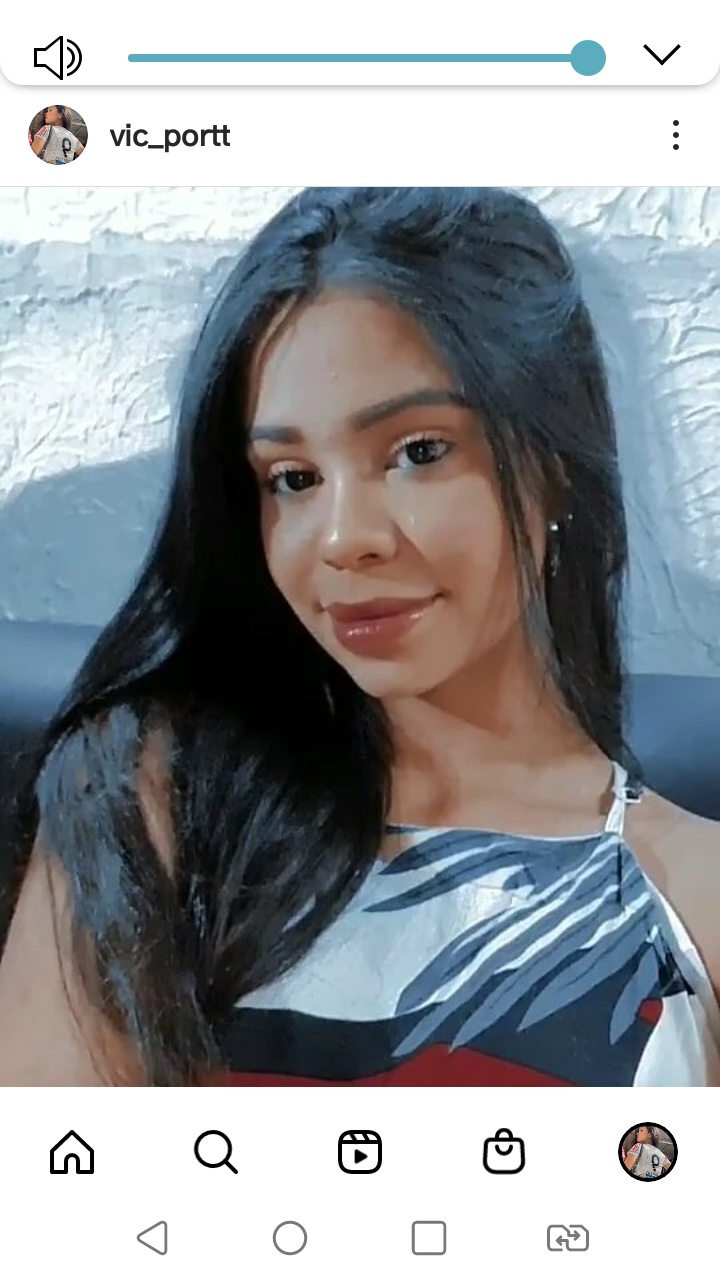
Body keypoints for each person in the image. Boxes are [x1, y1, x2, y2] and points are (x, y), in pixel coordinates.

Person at [0, 187, 718, 1087]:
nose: (343, 538)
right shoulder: (149, 796)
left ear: (554, 465)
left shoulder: (693, 897)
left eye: (419, 452)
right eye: (293, 478)